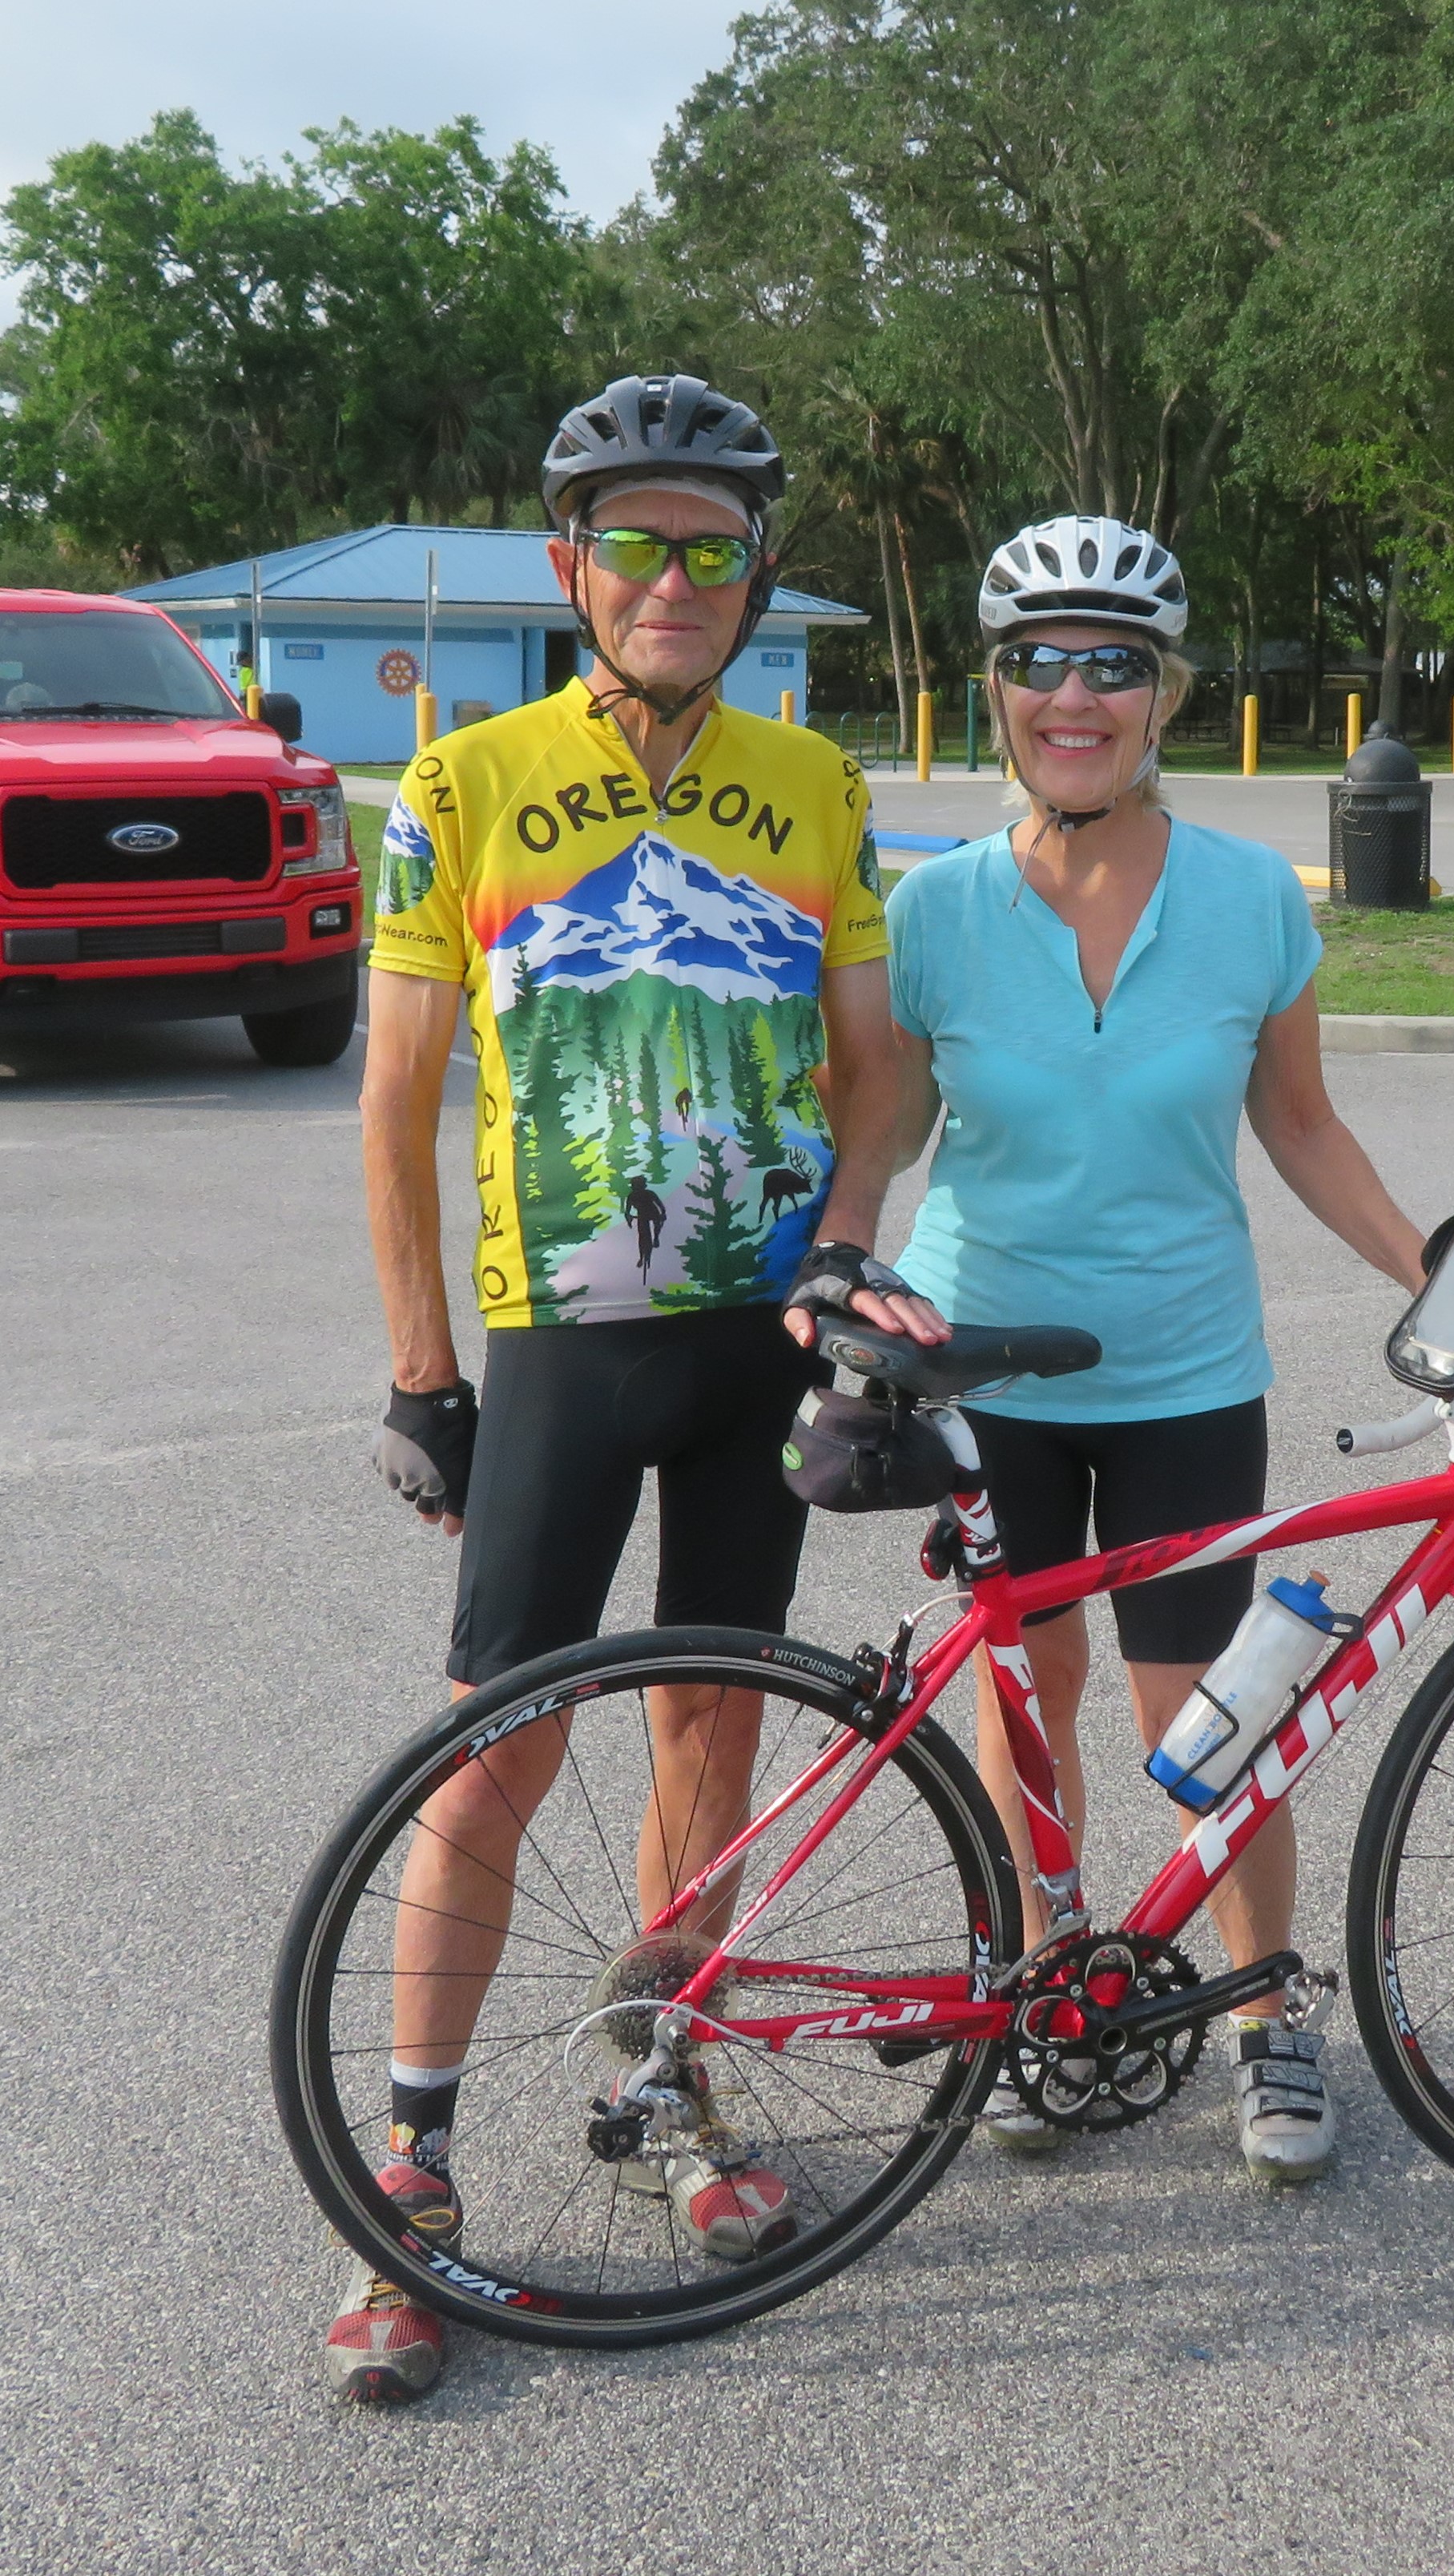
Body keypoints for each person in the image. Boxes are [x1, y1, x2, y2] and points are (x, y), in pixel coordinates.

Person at [328, 372, 942, 2402]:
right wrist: (423, 1372)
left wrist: (846, 1237)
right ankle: (407, 2164)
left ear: (754, 571)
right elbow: (396, 1100)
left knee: (713, 1726)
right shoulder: (464, 782)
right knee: (493, 1747)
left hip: (763, 1341)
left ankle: (666, 2074)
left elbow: (879, 1067)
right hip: (564, 1349)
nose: (673, 579)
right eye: (634, 544)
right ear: (571, 566)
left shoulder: (815, 782)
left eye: (712, 546)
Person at [874, 514, 1427, 2184]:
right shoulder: (935, 909)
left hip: (1187, 1367)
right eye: (1038, 662)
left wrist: (1432, 1276)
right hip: (988, 1364)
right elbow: (876, 1133)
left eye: (1112, 665)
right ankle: (1044, 1985)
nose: (1074, 696)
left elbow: (1302, 1124)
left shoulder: (1252, 898)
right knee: (1026, 1695)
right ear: (994, 688)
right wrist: (819, 1275)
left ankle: (1265, 2008)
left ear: (1165, 694)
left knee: (1207, 1708)